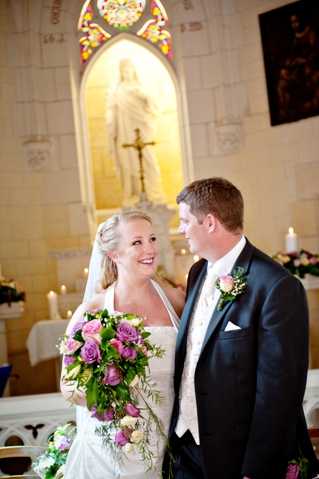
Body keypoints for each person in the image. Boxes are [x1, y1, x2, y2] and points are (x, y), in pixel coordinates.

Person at [164, 177, 319, 479]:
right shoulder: (197, 272)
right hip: (186, 450)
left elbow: (279, 391)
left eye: (185, 221)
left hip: (238, 459)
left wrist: (256, 468)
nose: (181, 230)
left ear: (210, 222)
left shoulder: (276, 286)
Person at [60, 210, 182, 479]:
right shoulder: (92, 311)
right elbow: (67, 386)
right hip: (109, 449)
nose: (150, 248)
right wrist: (106, 392)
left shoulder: (174, 300)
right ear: (114, 254)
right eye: (137, 242)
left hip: (168, 443)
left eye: (152, 239)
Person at [107, 58, 165, 206]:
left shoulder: (141, 87)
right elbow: (112, 111)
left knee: (148, 159)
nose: (127, 72)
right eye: (124, 70)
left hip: (142, 129)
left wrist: (143, 95)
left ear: (134, 70)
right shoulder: (117, 90)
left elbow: (153, 106)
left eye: (129, 69)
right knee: (128, 162)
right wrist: (111, 129)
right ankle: (133, 194)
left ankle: (154, 193)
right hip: (125, 132)